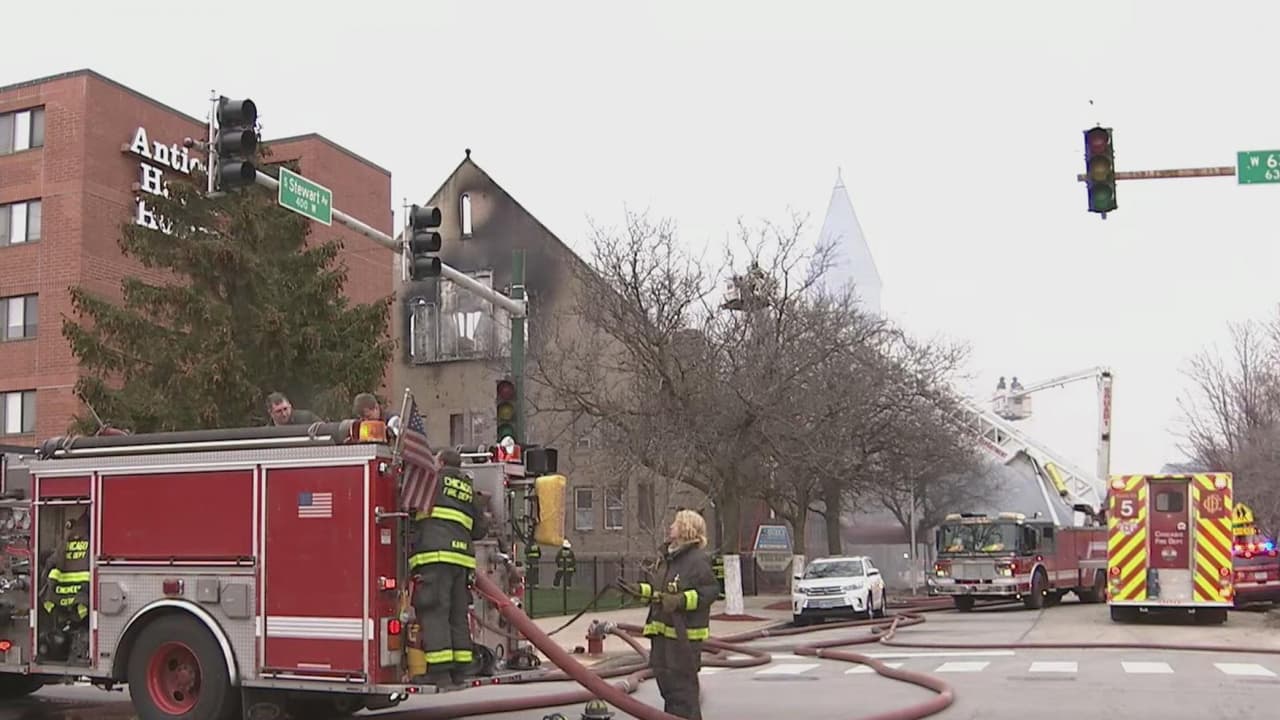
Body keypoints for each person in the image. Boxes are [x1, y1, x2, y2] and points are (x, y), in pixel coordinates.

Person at [617, 509, 719, 720]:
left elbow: (709, 592)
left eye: (676, 523)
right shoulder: (669, 559)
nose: (671, 526)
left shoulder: (697, 561)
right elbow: (660, 594)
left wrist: (680, 600)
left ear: (686, 529)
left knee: (683, 694)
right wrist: (639, 591)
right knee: (669, 691)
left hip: (683, 639)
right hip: (664, 637)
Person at [408, 449, 489, 686]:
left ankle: (439, 672)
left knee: (434, 611)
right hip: (461, 560)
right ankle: (462, 669)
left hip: (434, 556)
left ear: (441, 462)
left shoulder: (431, 480)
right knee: (457, 613)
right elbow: (480, 529)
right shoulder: (467, 488)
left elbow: (409, 509)